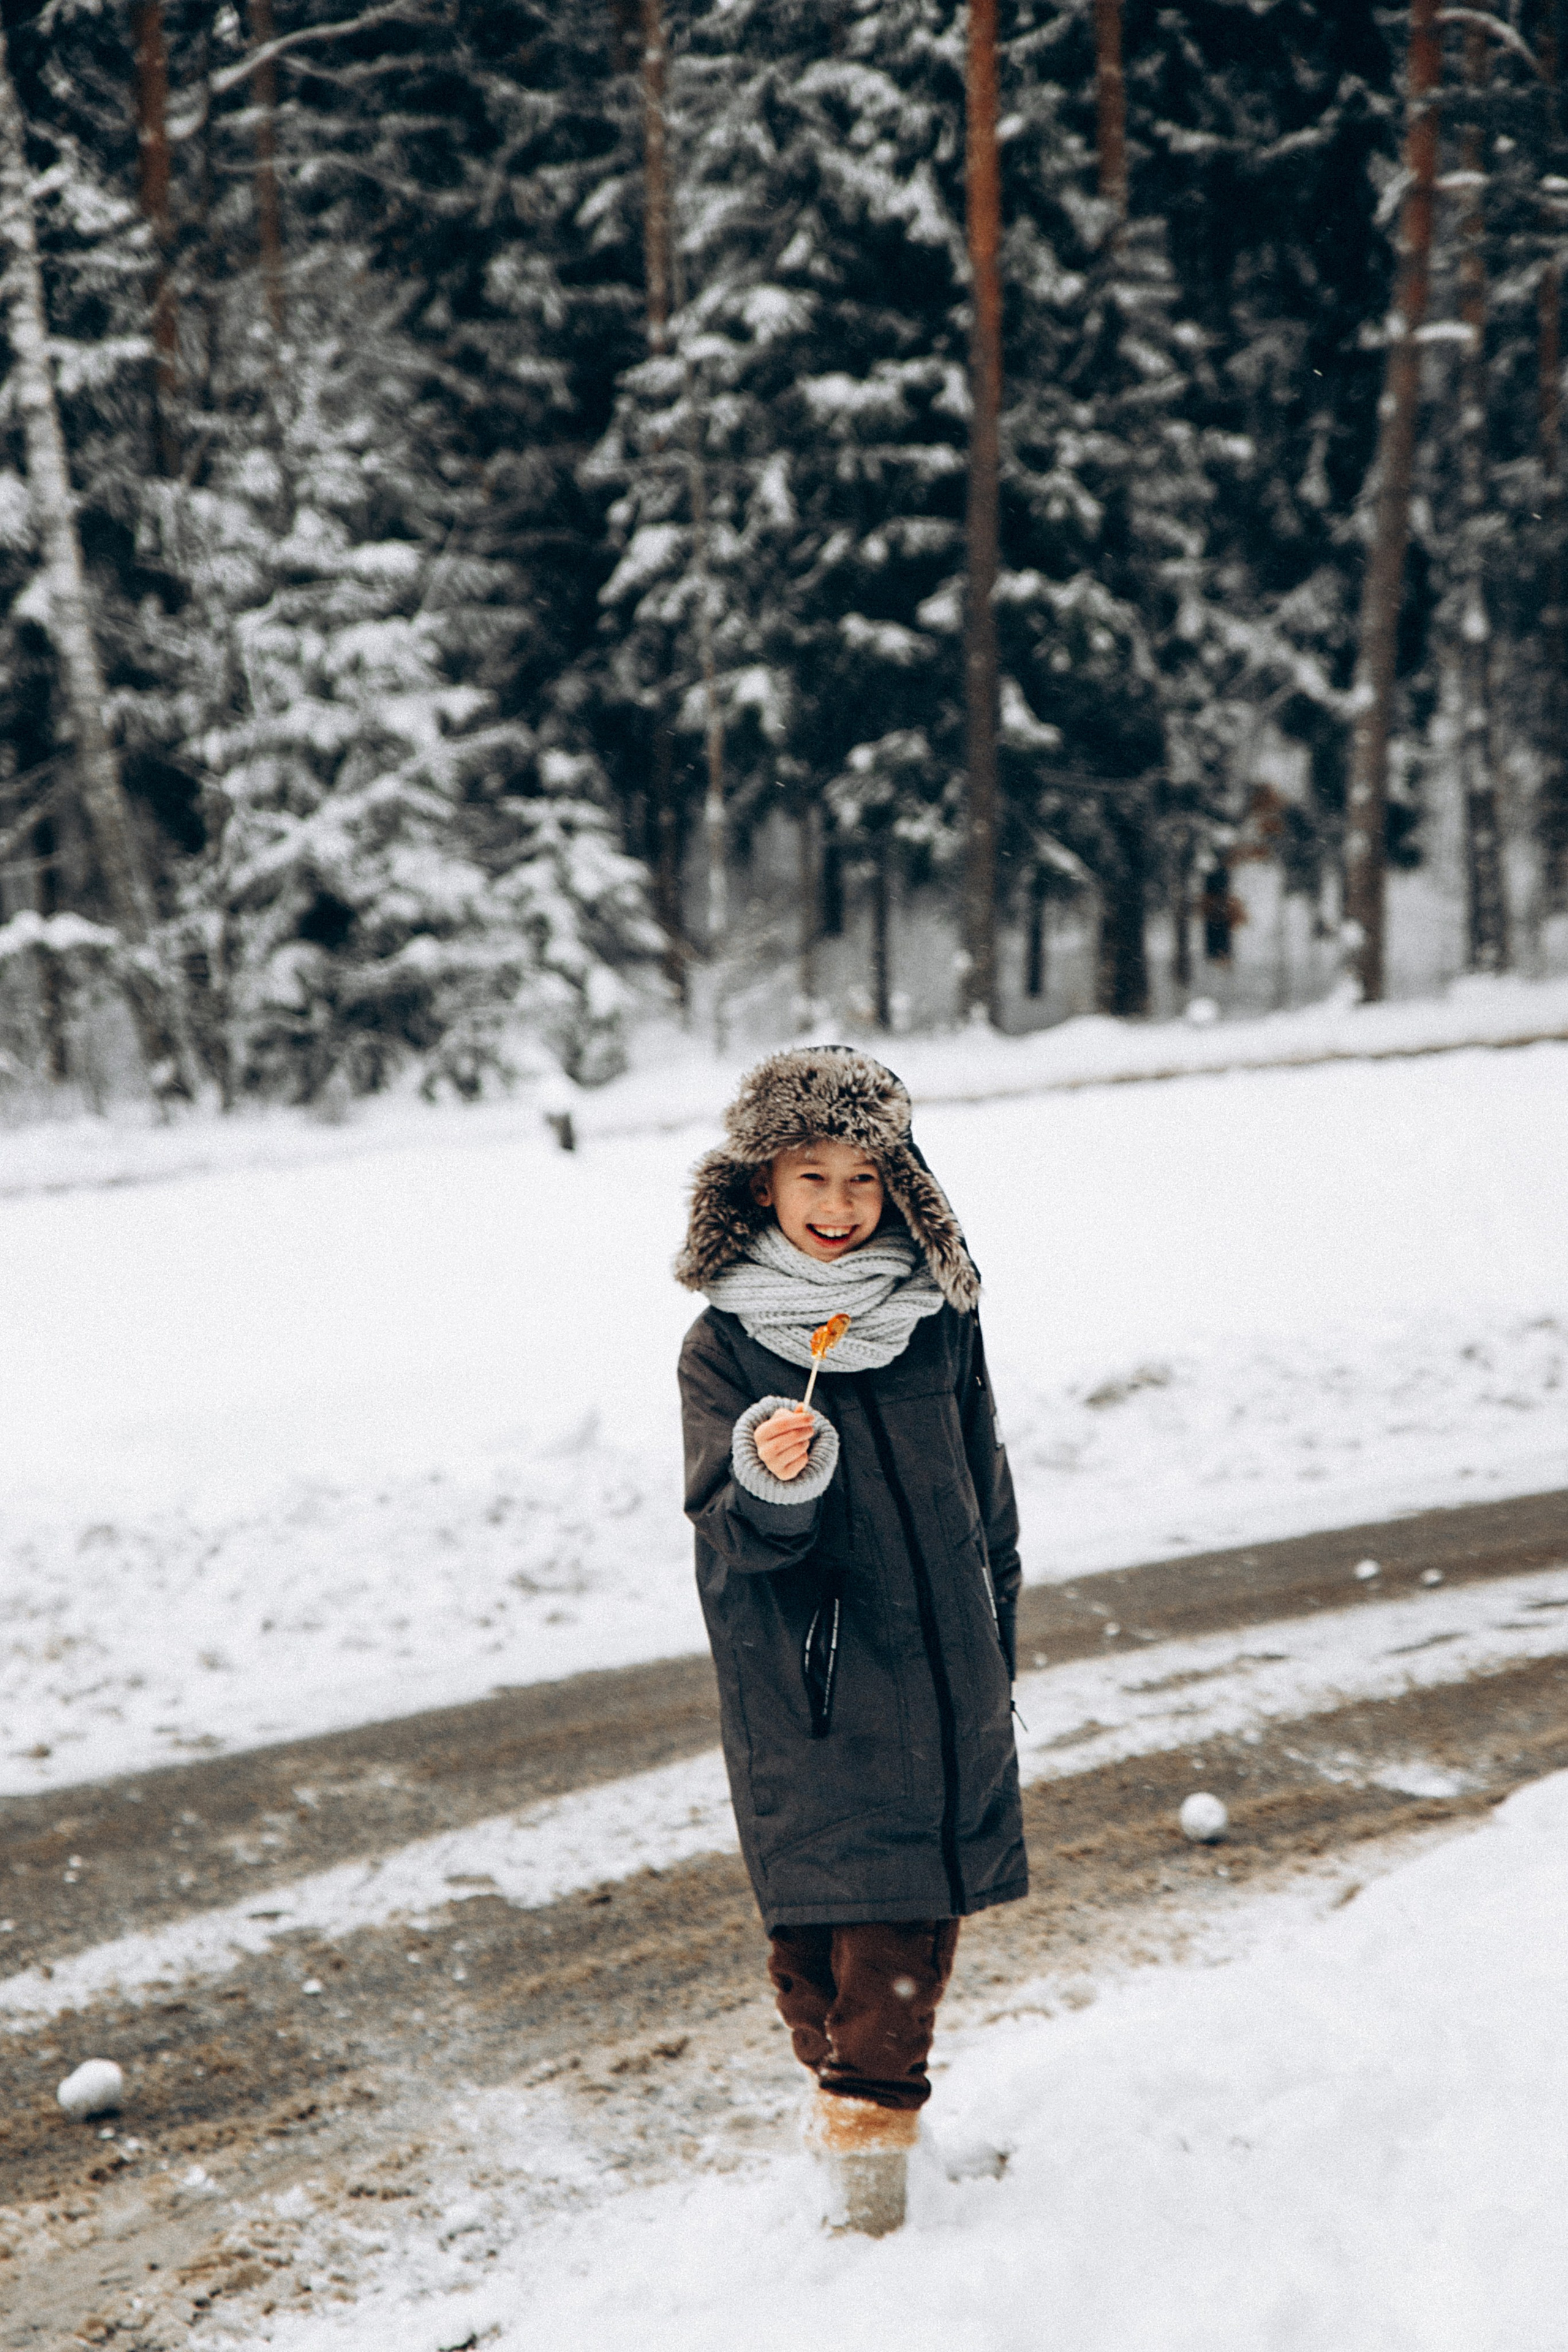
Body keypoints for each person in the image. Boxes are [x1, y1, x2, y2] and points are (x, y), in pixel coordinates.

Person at [675, 1044, 1027, 2233]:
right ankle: (863, 2175)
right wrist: (774, 1481)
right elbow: (733, 1540)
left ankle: (870, 2179)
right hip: (812, 1692)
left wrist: (995, 1628)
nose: (838, 1205)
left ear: (902, 1186)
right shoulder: (727, 1346)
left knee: (908, 1931)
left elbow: (986, 1498)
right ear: (760, 1185)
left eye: (864, 1178)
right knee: (826, 1955)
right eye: (810, 1177)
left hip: (945, 1673)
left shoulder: (937, 1323)